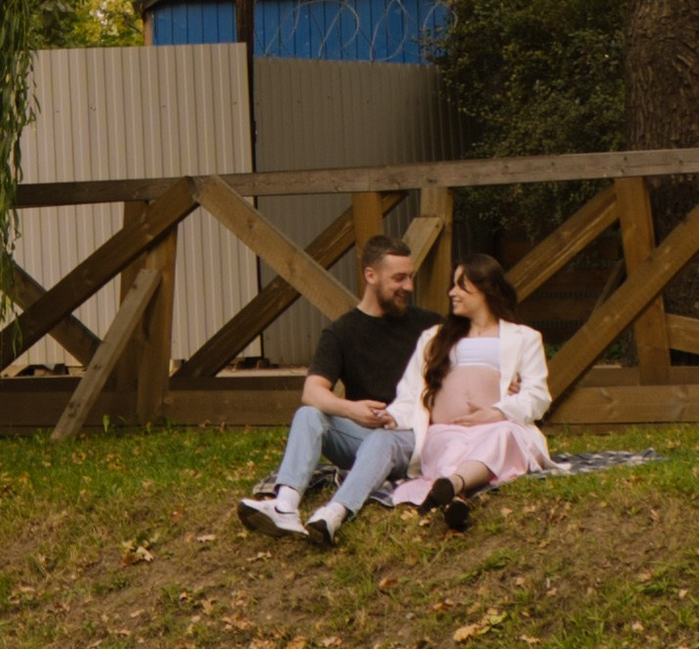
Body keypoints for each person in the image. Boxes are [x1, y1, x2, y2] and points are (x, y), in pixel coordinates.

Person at [236, 233, 433, 549]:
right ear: (371, 275)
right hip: (363, 437)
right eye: (399, 278)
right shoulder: (341, 332)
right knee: (309, 414)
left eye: (410, 277)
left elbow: (475, 351)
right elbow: (312, 391)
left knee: (383, 440)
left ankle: (335, 512)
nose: (408, 286)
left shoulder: (428, 325)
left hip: (413, 436)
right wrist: (351, 410)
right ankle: (285, 505)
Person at [388, 251, 552, 527]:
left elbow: (538, 396)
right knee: (449, 447)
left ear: (485, 290)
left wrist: (497, 412)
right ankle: (456, 494)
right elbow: (410, 390)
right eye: (452, 285)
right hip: (446, 429)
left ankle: (452, 486)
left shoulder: (524, 338)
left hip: (496, 427)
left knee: (504, 436)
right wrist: (391, 417)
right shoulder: (434, 338)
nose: (452, 293)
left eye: (461, 286)